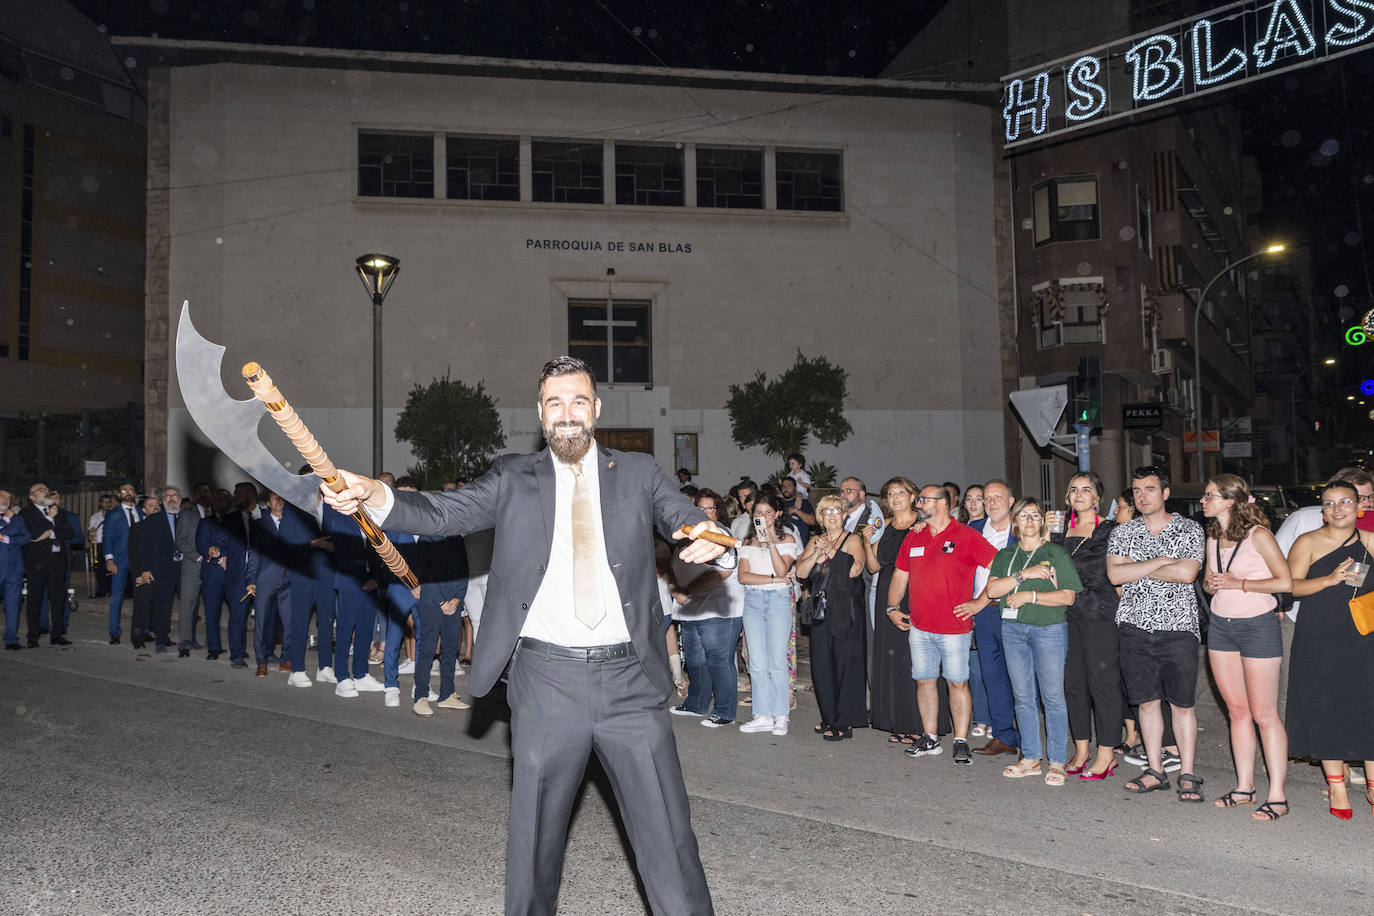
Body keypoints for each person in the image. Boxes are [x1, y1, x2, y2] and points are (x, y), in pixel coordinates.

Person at [319, 356, 723, 915]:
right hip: (545, 681)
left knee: (671, 844)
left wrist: (706, 533)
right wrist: (376, 496)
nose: (567, 414)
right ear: (540, 412)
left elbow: (681, 515)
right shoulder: (514, 476)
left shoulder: (637, 472)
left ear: (595, 409)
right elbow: (442, 512)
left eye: (578, 401)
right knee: (533, 847)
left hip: (631, 681)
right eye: (554, 403)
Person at [1107, 466, 1205, 801]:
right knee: (1146, 704)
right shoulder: (1123, 532)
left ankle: (1188, 772)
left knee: (1182, 704)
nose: (1142, 496)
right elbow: (1115, 576)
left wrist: (1138, 566)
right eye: (1136, 490)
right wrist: (1160, 561)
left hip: (1178, 628)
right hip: (1134, 627)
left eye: (1149, 489)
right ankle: (1155, 770)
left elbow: (1186, 573)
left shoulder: (1189, 529)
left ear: (1165, 493)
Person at [1200, 474, 1293, 820]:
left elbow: (1284, 581)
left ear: (1230, 500)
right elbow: (1212, 585)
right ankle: (1244, 787)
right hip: (1221, 628)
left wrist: (1239, 583)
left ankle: (1278, 796)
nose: (1203, 501)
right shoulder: (1212, 535)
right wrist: (1212, 584)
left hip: (1258, 626)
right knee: (1237, 712)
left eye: (1210, 495)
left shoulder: (1260, 536)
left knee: (1264, 714)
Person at [887, 485, 997, 765]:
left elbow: (999, 566)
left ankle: (960, 741)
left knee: (957, 683)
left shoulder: (966, 536)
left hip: (955, 627)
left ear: (942, 504)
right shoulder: (915, 536)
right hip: (920, 625)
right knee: (924, 682)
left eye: (923, 499)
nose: (918, 502)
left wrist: (980, 602)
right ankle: (930, 737)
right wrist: (891, 607)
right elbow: (900, 574)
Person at [1284, 480, 1374, 820]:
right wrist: (1328, 580)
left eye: (1345, 502)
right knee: (1326, 706)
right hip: (1319, 636)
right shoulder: (1308, 542)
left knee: (1368, 706)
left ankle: (1372, 783)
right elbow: (1288, 587)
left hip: (1364, 637)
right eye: (1330, 503)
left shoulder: (1370, 542)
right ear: (1322, 510)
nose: (1338, 509)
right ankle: (1336, 784)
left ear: (1358, 506)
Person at [985, 497, 1082, 785]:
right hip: (1013, 631)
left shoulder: (1055, 553)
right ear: (1015, 522)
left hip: (1048, 630)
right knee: (1023, 696)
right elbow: (992, 591)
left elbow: (1068, 596)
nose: (1029, 520)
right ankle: (1030, 757)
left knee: (1052, 696)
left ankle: (1057, 761)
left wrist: (1031, 596)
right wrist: (1024, 575)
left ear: (1042, 521)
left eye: (1035, 516)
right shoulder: (1006, 556)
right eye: (1024, 516)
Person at [1049, 472, 1125, 780]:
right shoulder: (1057, 530)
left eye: (1086, 489)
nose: (1080, 494)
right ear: (1067, 498)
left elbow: (1104, 572)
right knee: (1073, 684)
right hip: (1065, 616)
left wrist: (1064, 577)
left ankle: (1107, 753)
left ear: (1097, 497)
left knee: (1103, 684)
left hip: (1099, 615)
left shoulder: (1110, 530)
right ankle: (1082, 748)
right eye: (1074, 490)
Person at [796, 493, 867, 740]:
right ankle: (829, 716)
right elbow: (800, 571)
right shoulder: (815, 540)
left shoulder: (853, 539)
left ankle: (844, 720)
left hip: (845, 610)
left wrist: (833, 550)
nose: (832, 516)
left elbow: (855, 570)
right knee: (822, 665)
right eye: (827, 512)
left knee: (845, 665)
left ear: (845, 516)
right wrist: (817, 553)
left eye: (837, 511)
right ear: (820, 517)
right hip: (821, 611)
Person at [671, 490, 744, 727]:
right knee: (695, 660)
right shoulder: (689, 534)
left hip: (719, 609)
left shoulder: (721, 534)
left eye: (709, 508)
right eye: (699, 508)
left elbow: (723, 573)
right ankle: (696, 704)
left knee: (718, 660)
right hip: (692, 608)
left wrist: (689, 591)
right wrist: (675, 588)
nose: (704, 512)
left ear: (718, 510)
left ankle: (724, 712)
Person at [862, 477, 924, 745]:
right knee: (890, 659)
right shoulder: (885, 525)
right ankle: (895, 721)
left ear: (913, 496)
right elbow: (874, 567)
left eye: (901, 492)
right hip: (886, 592)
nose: (895, 497)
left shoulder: (922, 525)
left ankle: (917, 723)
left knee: (912, 659)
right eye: (891, 493)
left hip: (913, 593)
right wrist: (866, 542)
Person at [737, 492, 800, 736]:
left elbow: (783, 567)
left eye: (768, 513)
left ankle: (780, 715)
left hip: (778, 601)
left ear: (777, 515)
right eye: (758, 513)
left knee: (776, 660)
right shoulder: (746, 542)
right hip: (753, 600)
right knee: (757, 661)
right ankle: (762, 714)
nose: (762, 517)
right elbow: (744, 576)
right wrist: (774, 579)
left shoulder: (788, 539)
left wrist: (770, 542)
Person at [966, 480, 1021, 758]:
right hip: (984, 615)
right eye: (988, 498)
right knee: (993, 675)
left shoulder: (1023, 529)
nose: (992, 503)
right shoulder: (973, 530)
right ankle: (1004, 736)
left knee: (1022, 676)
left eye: (999, 497)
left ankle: (1029, 739)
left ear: (1011, 501)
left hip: (1015, 609)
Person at [412, 527, 469, 716]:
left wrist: (458, 598)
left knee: (451, 650)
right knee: (428, 650)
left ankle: (446, 694)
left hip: (453, 603)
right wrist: (442, 601)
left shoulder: (457, 539)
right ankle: (420, 696)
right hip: (432, 602)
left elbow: (464, 570)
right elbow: (425, 574)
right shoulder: (426, 538)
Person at [20, 483, 75, 647]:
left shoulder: (59, 511)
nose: (45, 491)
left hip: (57, 562)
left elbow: (69, 533)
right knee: (34, 599)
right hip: (36, 562)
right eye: (40, 490)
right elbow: (32, 535)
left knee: (58, 599)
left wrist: (50, 532)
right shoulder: (26, 514)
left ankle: (57, 634)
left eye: (46, 489)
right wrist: (50, 519)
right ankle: (33, 636)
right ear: (31, 497)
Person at [249, 492, 296, 677]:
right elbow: (253, 554)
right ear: (268, 504)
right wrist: (250, 580)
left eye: (281, 498)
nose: (278, 501)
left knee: (289, 622)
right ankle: (262, 662)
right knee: (261, 621)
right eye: (274, 498)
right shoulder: (260, 525)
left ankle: (286, 659)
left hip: (289, 580)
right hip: (265, 579)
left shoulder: (293, 525)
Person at [103, 482, 143, 644]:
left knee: (142, 596)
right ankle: (114, 632)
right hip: (120, 559)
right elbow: (108, 538)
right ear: (119, 495)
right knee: (117, 596)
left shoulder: (141, 512)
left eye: (130, 490)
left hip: (139, 560)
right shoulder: (113, 514)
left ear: (134, 494)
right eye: (124, 490)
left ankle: (142, 630)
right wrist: (109, 559)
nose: (127, 492)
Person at [1, 490, 31, 650]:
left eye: (8, 497)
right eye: (2, 496)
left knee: (13, 606)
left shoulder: (18, 519)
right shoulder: (9, 518)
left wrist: (7, 539)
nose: (5, 499)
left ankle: (11, 639)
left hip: (13, 570)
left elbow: (26, 537)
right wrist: (6, 519)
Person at [88, 494, 114, 598]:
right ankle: (101, 590)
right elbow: (90, 531)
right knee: (99, 568)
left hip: (111, 545)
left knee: (111, 568)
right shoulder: (95, 517)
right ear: (100, 503)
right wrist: (90, 535)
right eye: (105, 502)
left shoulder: (114, 515)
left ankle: (111, 589)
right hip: (98, 545)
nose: (107, 504)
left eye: (109, 502)